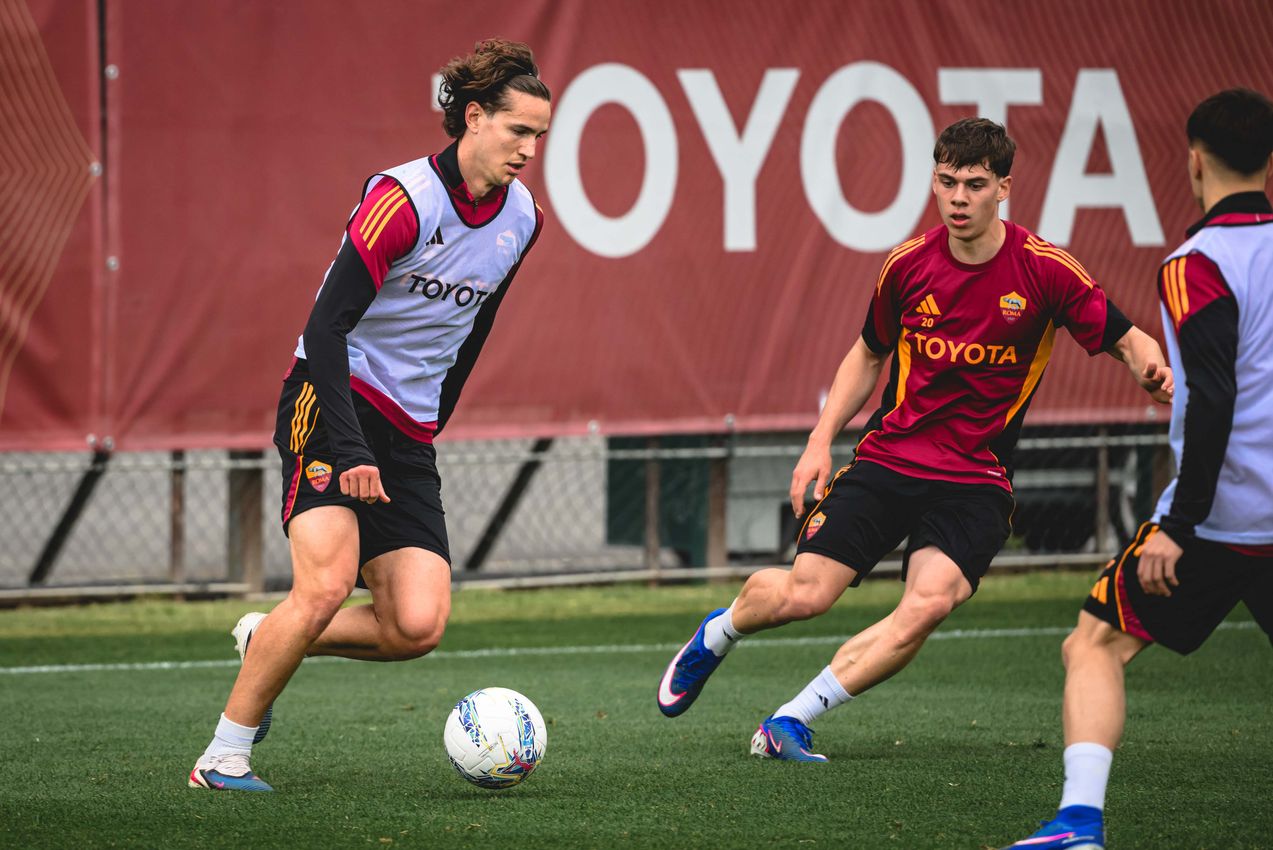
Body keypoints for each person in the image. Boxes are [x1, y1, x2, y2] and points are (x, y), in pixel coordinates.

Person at [657, 118, 1174, 764]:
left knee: (928, 604)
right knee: (805, 595)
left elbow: (1127, 337)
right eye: (947, 182)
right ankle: (719, 632)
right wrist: (819, 440)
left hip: (976, 479)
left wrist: (1150, 368)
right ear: (933, 181)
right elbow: (868, 353)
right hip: (888, 459)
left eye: (975, 185)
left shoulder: (1044, 269)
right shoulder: (907, 264)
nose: (958, 197)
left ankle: (789, 720)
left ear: (1003, 188)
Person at [188, 39, 551, 792]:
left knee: (415, 625)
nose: (529, 149)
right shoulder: (402, 200)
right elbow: (326, 328)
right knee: (324, 586)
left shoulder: (522, 219)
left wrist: (433, 419)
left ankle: (268, 638)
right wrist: (351, 447)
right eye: (518, 130)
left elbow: (476, 324)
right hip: (330, 399)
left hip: (406, 426)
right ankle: (222, 757)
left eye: (539, 135)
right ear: (473, 117)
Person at [1000, 88, 1273, 850]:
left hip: (1222, 517)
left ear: (1193, 162)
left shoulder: (1197, 264)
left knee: (1092, 643)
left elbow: (1214, 397)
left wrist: (1176, 525)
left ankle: (1078, 822)